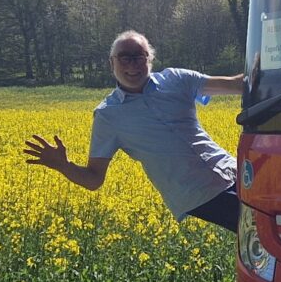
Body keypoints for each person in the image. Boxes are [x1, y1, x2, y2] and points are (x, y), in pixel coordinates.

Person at [21, 30, 245, 231]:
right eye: (124, 58)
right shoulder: (108, 115)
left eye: (139, 56)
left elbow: (236, 85)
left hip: (233, 169)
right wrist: (63, 165)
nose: (132, 64)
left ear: (150, 59)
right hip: (198, 194)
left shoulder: (177, 80)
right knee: (261, 230)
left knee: (275, 218)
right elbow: (93, 179)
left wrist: (271, 58)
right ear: (112, 63)